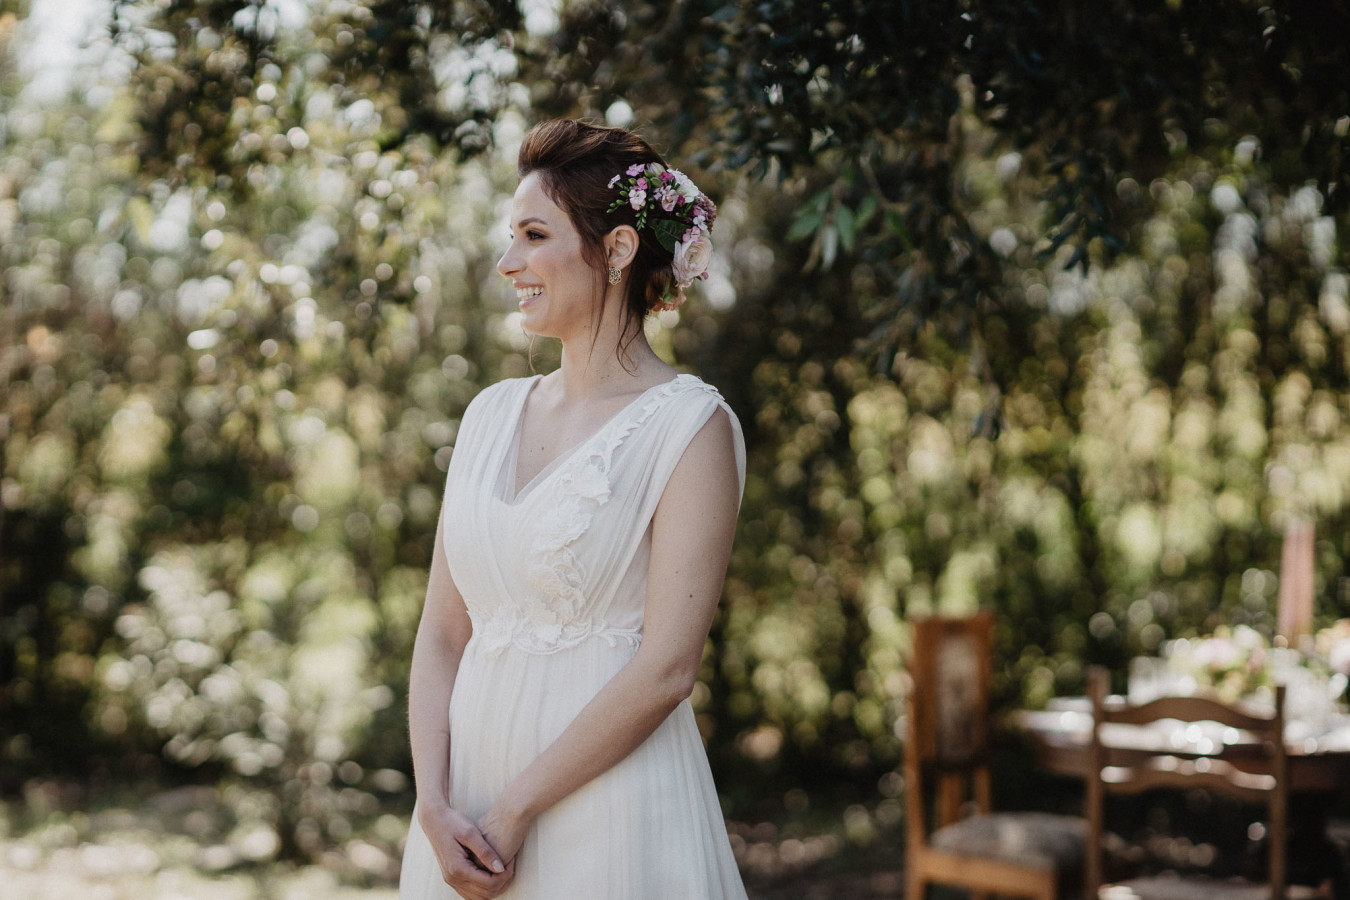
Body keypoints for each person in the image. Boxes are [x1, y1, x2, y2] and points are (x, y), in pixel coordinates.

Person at [398, 119, 749, 900]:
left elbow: (667, 669)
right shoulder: (487, 416)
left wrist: (517, 812)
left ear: (618, 251)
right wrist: (434, 805)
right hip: (464, 806)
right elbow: (442, 634)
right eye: (509, 236)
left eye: (533, 234)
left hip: (608, 811)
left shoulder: (692, 427)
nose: (507, 262)